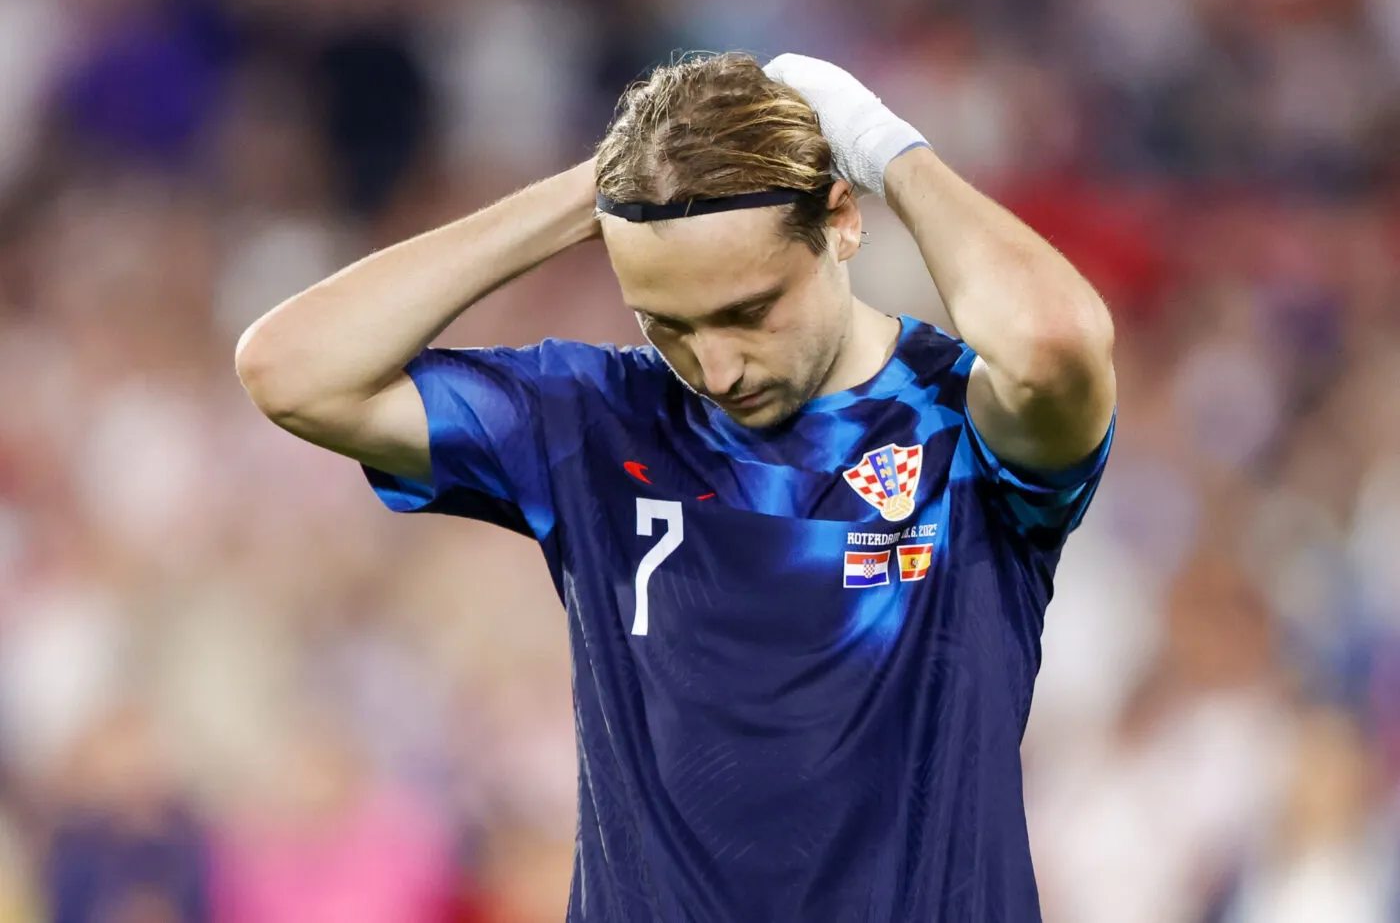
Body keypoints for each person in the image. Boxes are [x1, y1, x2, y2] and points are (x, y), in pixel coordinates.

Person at [235, 51, 1117, 922]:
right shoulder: (596, 421)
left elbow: (1054, 342)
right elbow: (292, 370)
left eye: (748, 312)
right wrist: (600, 190)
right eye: (667, 324)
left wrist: (885, 150)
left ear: (842, 221)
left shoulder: (960, 424)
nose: (718, 368)